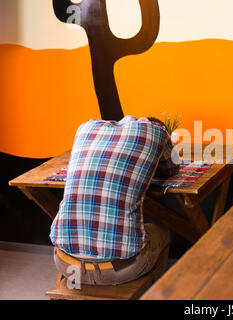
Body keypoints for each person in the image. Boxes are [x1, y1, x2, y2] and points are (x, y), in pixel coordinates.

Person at [50, 116, 179, 285]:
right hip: (121, 269)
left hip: (64, 264)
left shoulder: (85, 128)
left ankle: (79, 284)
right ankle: (155, 292)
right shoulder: (157, 132)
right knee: (162, 232)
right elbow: (171, 169)